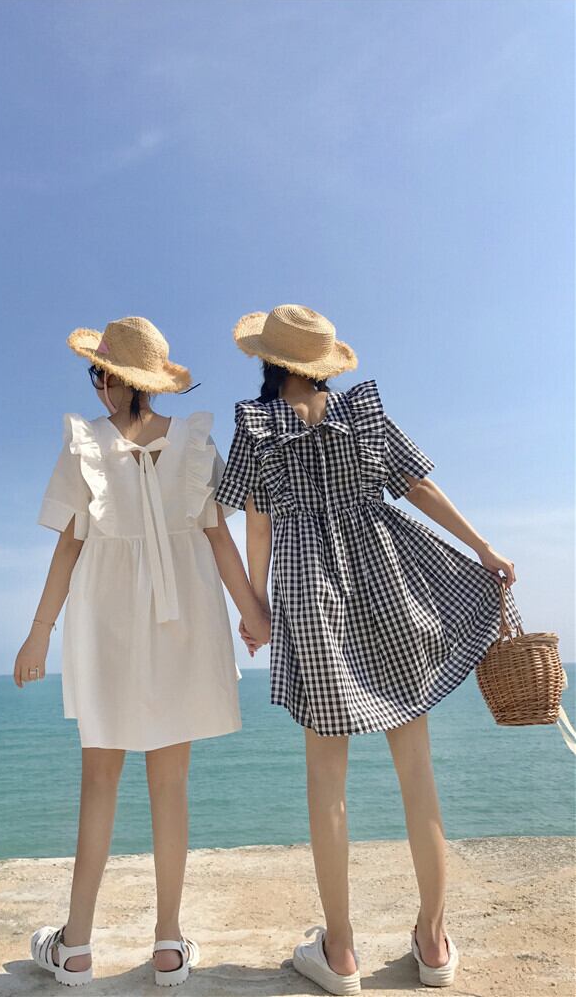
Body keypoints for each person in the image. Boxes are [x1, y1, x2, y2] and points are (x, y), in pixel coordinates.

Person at [215, 304, 522, 996]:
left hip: (310, 596)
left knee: (327, 781)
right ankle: (434, 943)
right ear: (323, 362)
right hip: (389, 582)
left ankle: (342, 952)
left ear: (269, 360)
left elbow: (256, 525)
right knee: (418, 773)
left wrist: (257, 607)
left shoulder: (257, 425)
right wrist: (484, 548)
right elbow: (419, 488)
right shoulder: (364, 413)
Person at [15, 316, 270, 988]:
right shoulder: (193, 443)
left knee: (99, 781)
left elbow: (69, 545)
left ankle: (75, 947)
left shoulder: (86, 444)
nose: (95, 385)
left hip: (107, 622)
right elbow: (218, 539)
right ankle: (168, 945)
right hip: (183, 618)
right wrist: (253, 613)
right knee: (170, 785)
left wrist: (40, 630)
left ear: (116, 380)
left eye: (98, 374)